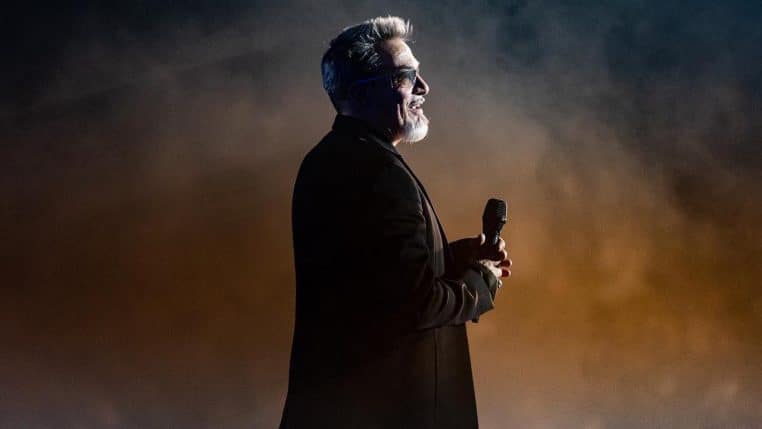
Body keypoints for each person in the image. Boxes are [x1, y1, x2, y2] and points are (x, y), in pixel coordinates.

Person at [279, 16, 512, 429]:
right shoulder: (379, 173)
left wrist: (454, 256)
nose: (424, 87)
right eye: (406, 76)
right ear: (361, 93)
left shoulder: (327, 159)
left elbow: (371, 279)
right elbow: (414, 303)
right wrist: (482, 280)